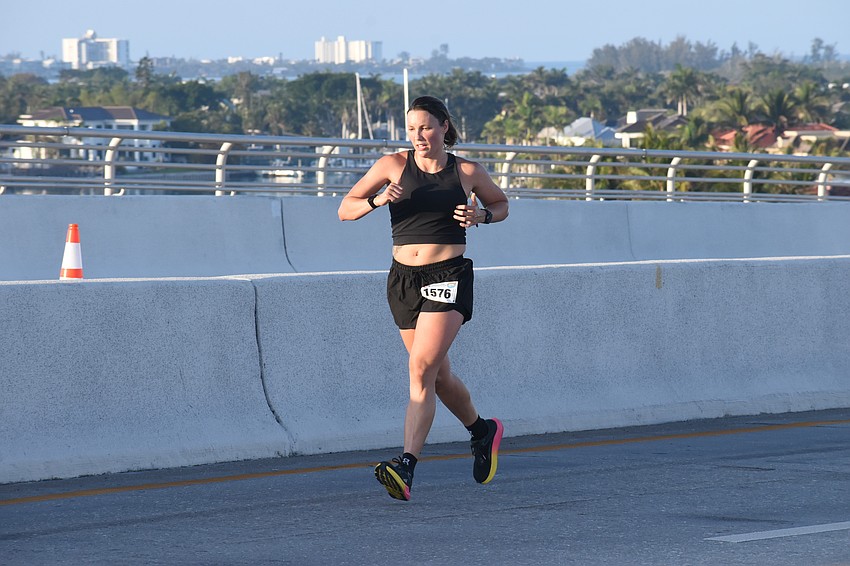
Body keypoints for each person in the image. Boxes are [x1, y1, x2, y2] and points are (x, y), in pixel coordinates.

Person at [338, 95, 508, 501]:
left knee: (420, 370)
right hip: (402, 280)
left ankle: (406, 464)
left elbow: (500, 204)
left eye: (426, 127)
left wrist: (481, 216)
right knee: (439, 375)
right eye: (412, 129)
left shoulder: (466, 171)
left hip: (448, 275)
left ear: (445, 127)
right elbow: (345, 208)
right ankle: (482, 431)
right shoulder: (392, 165)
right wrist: (379, 200)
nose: (418, 136)